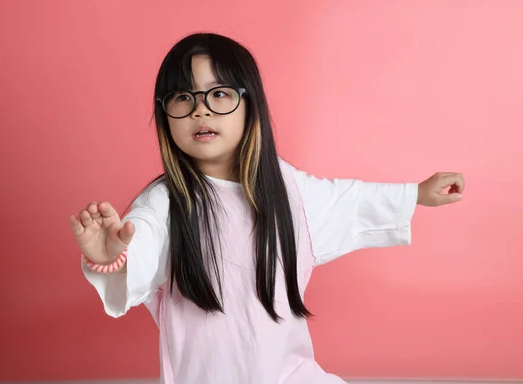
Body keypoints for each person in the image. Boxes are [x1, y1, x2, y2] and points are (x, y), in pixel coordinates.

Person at [69, 32, 465, 384]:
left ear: (249, 105)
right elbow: (139, 241)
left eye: (219, 94)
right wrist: (111, 257)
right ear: (164, 114)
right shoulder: (166, 201)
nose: (200, 110)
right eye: (183, 97)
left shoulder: (286, 187)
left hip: (291, 374)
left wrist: (415, 194)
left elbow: (349, 200)